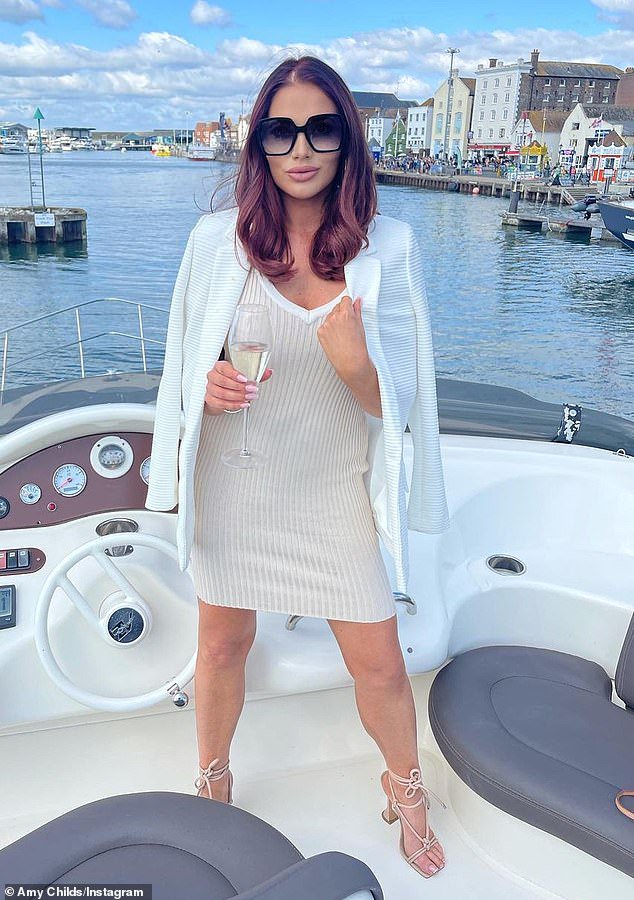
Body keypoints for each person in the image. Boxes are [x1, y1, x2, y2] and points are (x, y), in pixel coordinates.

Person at [146, 54, 449, 880]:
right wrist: (208, 388)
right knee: (221, 646)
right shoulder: (217, 244)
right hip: (236, 483)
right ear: (259, 145)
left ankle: (406, 788)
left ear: (348, 139)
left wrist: (357, 366)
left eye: (321, 128)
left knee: (379, 662)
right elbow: (181, 368)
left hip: (333, 490)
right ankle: (213, 779)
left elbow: (407, 404)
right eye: (281, 131)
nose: (301, 148)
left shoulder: (391, 247)